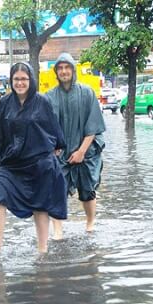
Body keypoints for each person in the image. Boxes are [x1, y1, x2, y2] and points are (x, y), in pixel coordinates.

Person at [0, 62, 67, 263]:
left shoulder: (42, 102)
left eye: (24, 79)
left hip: (38, 162)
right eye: (16, 79)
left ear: (31, 80)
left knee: (41, 206)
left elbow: (53, 128)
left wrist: (57, 147)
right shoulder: (4, 104)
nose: (20, 83)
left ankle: (42, 250)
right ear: (11, 80)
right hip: (10, 163)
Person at [45, 53, 106, 237]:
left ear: (73, 69)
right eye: (60, 68)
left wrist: (81, 151)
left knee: (88, 191)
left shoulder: (87, 93)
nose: (64, 71)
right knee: (56, 191)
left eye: (67, 67)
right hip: (60, 154)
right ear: (56, 72)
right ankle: (57, 231)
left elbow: (93, 126)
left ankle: (90, 223)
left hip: (86, 152)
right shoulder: (49, 97)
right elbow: (44, 127)